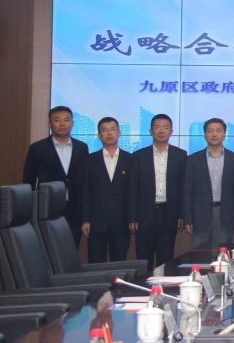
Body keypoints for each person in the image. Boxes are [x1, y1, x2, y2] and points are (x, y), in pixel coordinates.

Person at [22, 105, 89, 246]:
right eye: (57, 120)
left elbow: (85, 181)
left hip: (74, 209)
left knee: (71, 249)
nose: (62, 124)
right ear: (49, 124)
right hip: (47, 208)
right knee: (48, 249)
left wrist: (85, 215)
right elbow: (28, 181)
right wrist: (30, 212)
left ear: (72, 123)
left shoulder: (82, 147)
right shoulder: (37, 148)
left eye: (66, 120)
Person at [128, 114, 187, 269]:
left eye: (165, 128)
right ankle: (143, 284)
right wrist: (133, 216)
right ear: (150, 131)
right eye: (157, 127)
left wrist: (181, 215)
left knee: (166, 258)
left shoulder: (180, 155)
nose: (161, 131)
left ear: (171, 132)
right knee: (143, 257)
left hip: (169, 213)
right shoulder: (138, 156)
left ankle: (163, 284)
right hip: (144, 214)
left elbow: (183, 188)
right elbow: (132, 189)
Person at [183, 118, 234, 248]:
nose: (214, 134)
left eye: (218, 131)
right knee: (199, 254)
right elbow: (187, 192)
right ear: (205, 135)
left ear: (224, 134)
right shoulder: (193, 160)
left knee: (222, 254)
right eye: (210, 131)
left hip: (226, 214)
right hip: (199, 216)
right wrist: (188, 219)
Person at [81, 117, 133, 262]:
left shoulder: (130, 159)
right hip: (96, 222)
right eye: (104, 130)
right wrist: (85, 220)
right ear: (99, 135)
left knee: (119, 262)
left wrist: (133, 218)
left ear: (119, 133)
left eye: (113, 129)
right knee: (95, 263)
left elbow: (133, 192)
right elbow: (85, 192)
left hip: (122, 222)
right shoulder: (89, 160)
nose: (109, 133)